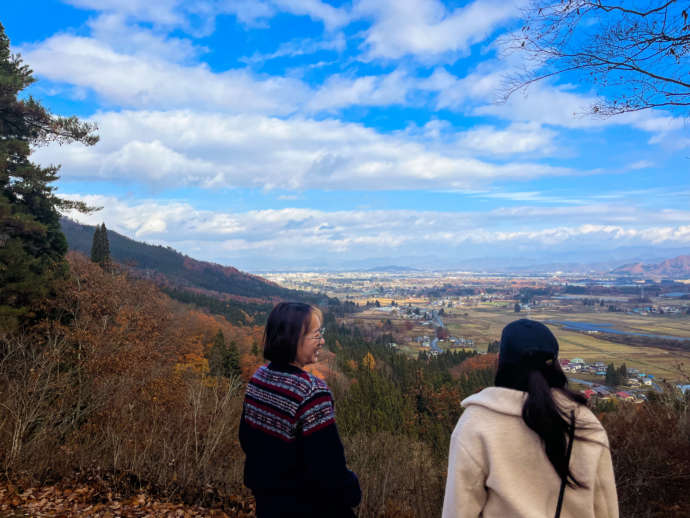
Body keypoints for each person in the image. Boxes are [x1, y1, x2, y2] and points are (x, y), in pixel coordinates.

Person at [442, 319, 618, 518]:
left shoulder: (476, 424)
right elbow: (606, 508)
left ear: (500, 361)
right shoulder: (585, 423)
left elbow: (458, 510)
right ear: (555, 366)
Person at [240, 302, 361, 518]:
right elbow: (330, 470)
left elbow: (246, 440)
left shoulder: (258, 378)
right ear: (294, 339)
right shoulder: (311, 393)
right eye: (316, 335)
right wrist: (352, 490)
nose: (322, 341)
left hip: (268, 504)